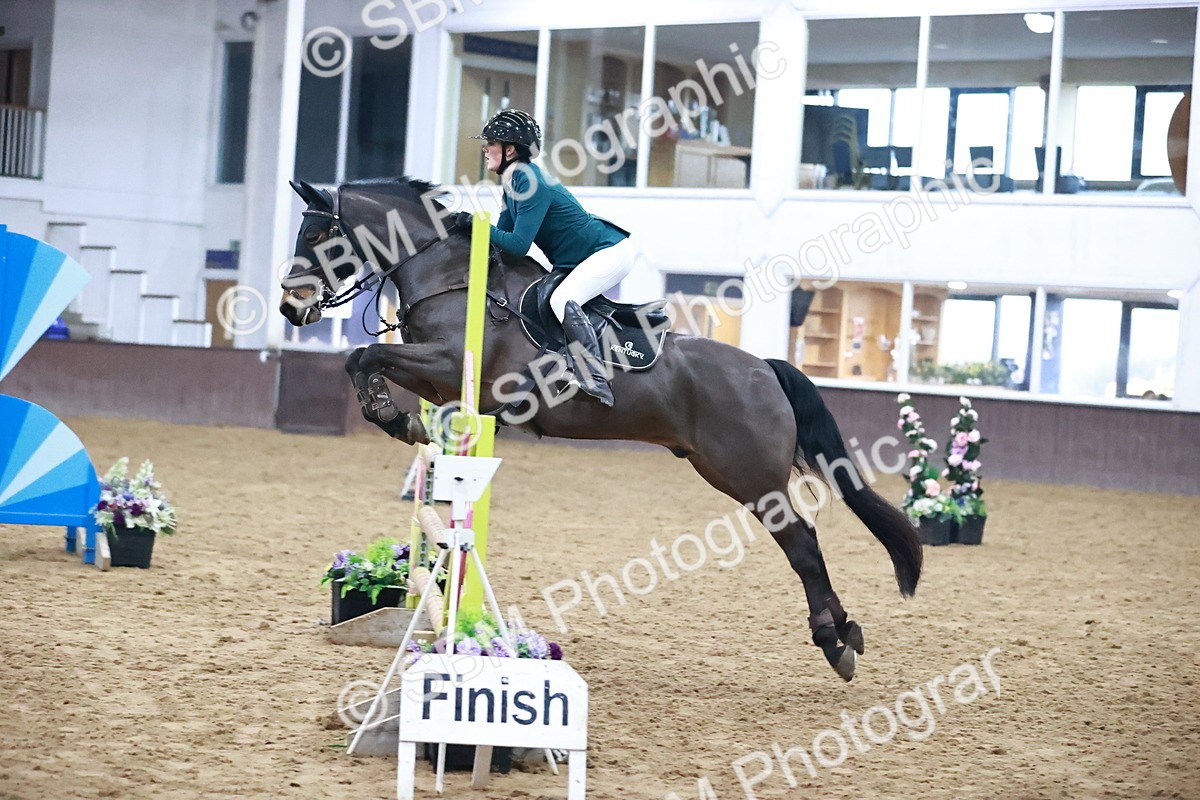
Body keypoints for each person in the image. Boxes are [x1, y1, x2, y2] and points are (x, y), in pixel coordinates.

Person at [471, 109, 637, 407]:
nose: (485, 149)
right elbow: (502, 239)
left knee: (562, 300)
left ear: (510, 150)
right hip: (582, 258)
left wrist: (475, 226)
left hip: (609, 252)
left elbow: (519, 245)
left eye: (491, 143)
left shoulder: (528, 180)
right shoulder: (512, 183)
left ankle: (594, 378)